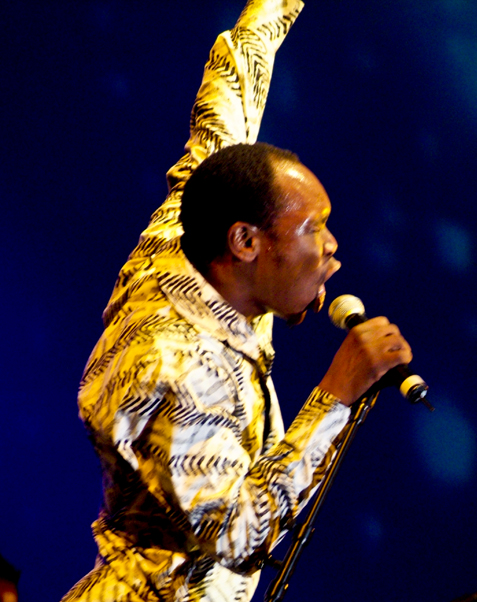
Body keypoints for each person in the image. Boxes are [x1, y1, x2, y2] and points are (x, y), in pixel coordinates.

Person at [62, 1, 412, 600]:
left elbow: (234, 90)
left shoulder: (191, 228)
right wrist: (334, 396)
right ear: (245, 242)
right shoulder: (172, 365)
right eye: (312, 229)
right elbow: (240, 532)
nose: (332, 249)